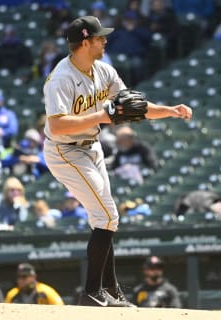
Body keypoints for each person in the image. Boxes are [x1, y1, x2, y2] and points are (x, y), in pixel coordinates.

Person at [42, 15, 192, 307]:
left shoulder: (104, 71)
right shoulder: (60, 78)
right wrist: (101, 115)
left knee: (105, 219)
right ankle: (92, 292)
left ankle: (109, 292)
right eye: (99, 37)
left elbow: (133, 106)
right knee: (107, 216)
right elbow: (58, 126)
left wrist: (170, 110)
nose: (105, 40)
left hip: (92, 146)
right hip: (64, 151)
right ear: (85, 42)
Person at [106, 11, 151, 86]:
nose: (128, 22)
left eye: (131, 20)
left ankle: (136, 86)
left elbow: (148, 39)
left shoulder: (140, 30)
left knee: (137, 64)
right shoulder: (118, 31)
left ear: (135, 21)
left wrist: (134, 30)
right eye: (126, 20)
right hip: (116, 57)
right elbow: (107, 44)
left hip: (133, 57)